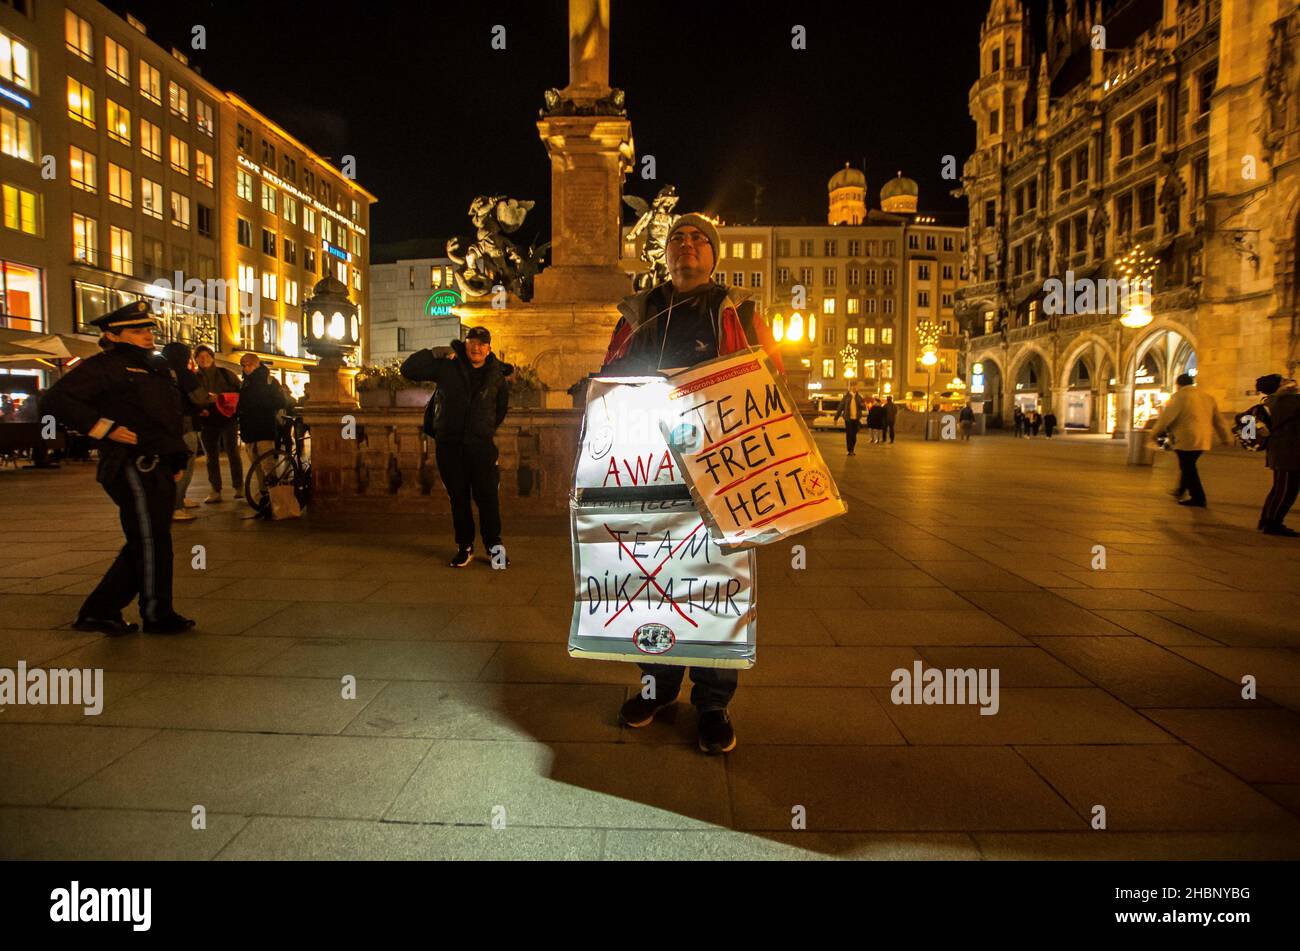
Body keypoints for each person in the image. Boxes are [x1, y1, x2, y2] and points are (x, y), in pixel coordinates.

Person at [599, 212, 786, 756]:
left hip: (722, 471)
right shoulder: (639, 311)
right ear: (666, 255)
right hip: (650, 467)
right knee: (654, 581)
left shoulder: (740, 312)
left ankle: (713, 701)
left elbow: (771, 379)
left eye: (698, 238)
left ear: (713, 254)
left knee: (715, 583)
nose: (686, 245)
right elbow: (610, 373)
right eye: (677, 238)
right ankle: (657, 687)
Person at [39, 302, 195, 635]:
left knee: (149, 540)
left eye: (148, 330)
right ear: (112, 334)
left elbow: (167, 418)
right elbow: (55, 401)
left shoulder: (156, 368)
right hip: (130, 464)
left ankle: (100, 611)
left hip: (159, 464)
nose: (147, 336)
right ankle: (156, 613)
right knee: (151, 541)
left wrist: (177, 459)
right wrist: (102, 427)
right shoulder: (104, 366)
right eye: (137, 331)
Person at [401, 327, 513, 566]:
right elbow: (408, 369)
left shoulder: (496, 375)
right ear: (465, 343)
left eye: (482, 344)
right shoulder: (447, 366)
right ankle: (465, 546)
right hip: (449, 445)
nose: (476, 348)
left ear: (489, 348)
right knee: (458, 499)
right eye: (472, 342)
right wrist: (434, 353)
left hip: (481, 446)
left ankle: (495, 547)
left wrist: (483, 428)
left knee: (488, 498)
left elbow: (500, 409)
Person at [1152, 372, 1232, 508]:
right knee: (1188, 464)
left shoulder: (1179, 397)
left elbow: (1166, 418)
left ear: (1178, 385)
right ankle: (1181, 489)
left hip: (1185, 438)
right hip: (1203, 439)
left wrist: (1154, 434)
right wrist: (1226, 437)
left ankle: (1198, 498)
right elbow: (1219, 420)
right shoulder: (1207, 397)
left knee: (1188, 467)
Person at [161, 342, 210, 521]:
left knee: (172, 464)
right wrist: (207, 402)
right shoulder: (185, 374)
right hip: (185, 425)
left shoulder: (161, 373)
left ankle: (178, 499)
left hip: (166, 425)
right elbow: (199, 397)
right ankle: (176, 506)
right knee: (184, 465)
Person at [237, 353, 289, 514]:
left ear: (256, 364)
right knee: (255, 464)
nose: (246, 368)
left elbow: (281, 401)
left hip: (264, 427)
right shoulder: (244, 383)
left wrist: (259, 403)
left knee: (267, 463)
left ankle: (275, 496)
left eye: (248, 364)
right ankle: (264, 493)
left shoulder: (269, 381)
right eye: (243, 365)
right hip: (248, 429)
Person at [193, 345, 243, 503]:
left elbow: (240, 393)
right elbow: (190, 398)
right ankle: (215, 489)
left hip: (228, 418)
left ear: (212, 358)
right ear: (196, 360)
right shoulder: (194, 378)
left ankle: (238, 486)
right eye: (200, 357)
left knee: (232, 452)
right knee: (211, 456)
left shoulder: (226, 374)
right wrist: (199, 408)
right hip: (207, 421)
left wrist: (221, 397)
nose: (204, 359)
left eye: (207, 356)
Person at [1254, 373, 1300, 536]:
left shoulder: (1271, 401)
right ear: (1279, 386)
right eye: (1284, 381)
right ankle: (1273, 523)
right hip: (1288, 452)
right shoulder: (1288, 401)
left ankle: (1267, 520)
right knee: (1286, 489)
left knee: (1280, 488)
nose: (1291, 382)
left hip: (1281, 451)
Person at [834, 381, 865, 455]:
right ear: (850, 387)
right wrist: (836, 418)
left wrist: (861, 404)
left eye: (856, 386)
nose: (855, 388)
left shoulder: (859, 397)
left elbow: (863, 407)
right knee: (849, 434)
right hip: (848, 418)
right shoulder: (846, 397)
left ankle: (852, 449)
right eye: (853, 386)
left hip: (856, 418)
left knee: (854, 435)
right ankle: (849, 450)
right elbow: (840, 407)